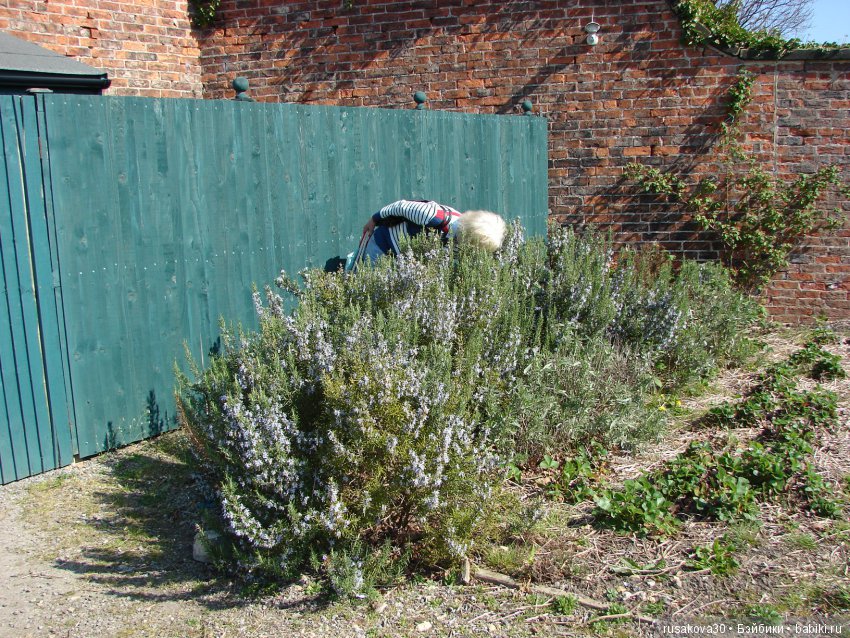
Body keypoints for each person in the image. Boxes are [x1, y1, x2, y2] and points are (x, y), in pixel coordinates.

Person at [351, 199, 507, 267]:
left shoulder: (461, 245)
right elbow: (400, 207)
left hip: (403, 263)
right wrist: (374, 220)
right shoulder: (433, 215)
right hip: (382, 247)